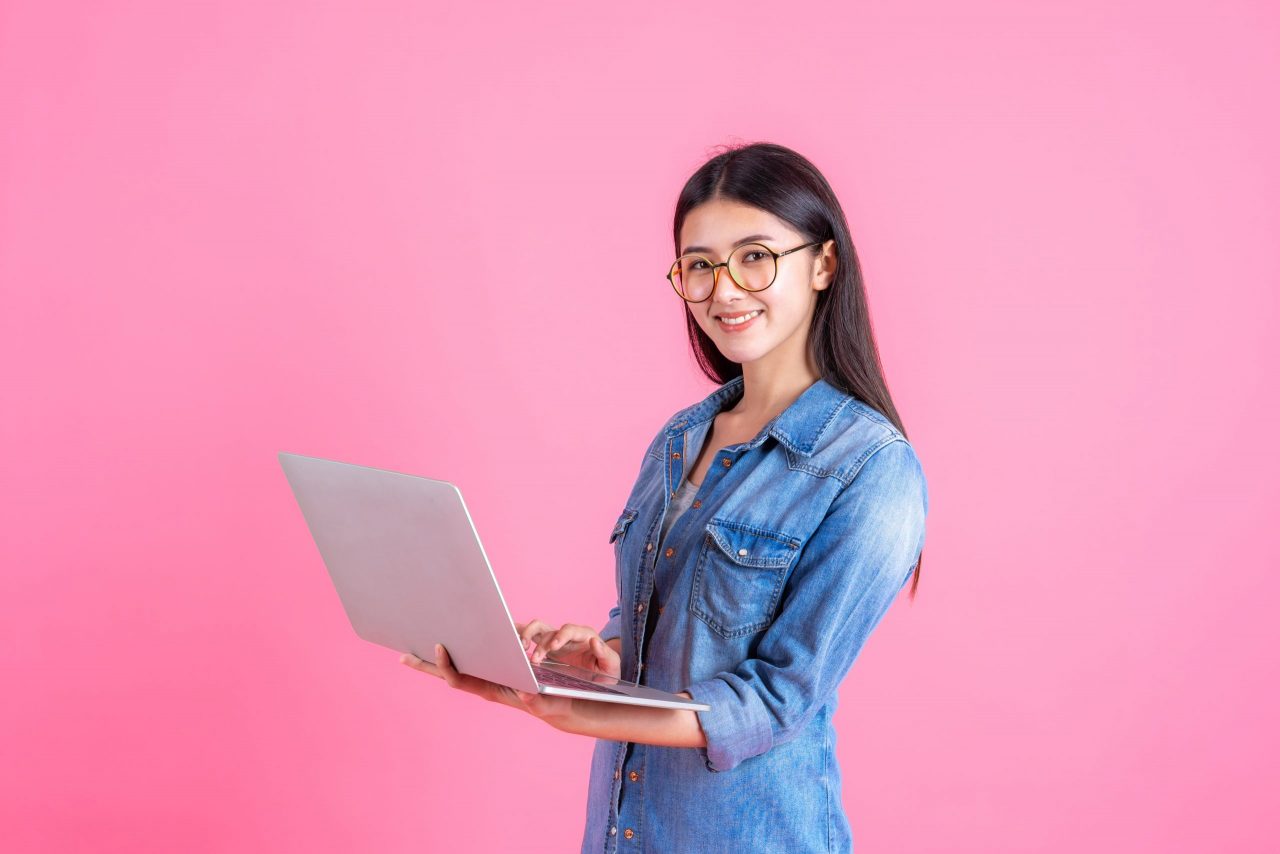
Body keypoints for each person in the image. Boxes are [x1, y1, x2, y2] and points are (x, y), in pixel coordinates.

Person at [400, 141, 929, 853]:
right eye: (700, 265)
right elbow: (656, 619)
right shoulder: (680, 439)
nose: (725, 290)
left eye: (756, 257)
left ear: (824, 263)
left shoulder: (871, 469)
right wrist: (604, 660)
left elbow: (777, 699)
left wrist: (577, 714)